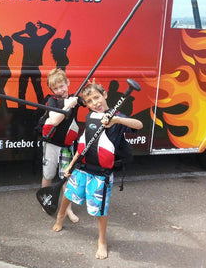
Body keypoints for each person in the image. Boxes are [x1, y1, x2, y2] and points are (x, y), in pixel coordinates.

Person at [53, 81, 142, 260]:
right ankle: (60, 216)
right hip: (82, 168)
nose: (95, 103)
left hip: (101, 174)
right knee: (69, 194)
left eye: (97, 97)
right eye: (90, 100)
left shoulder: (117, 117)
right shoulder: (91, 117)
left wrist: (116, 120)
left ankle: (102, 240)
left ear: (105, 95)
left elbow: (138, 125)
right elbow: (84, 144)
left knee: (100, 210)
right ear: (86, 104)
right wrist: (71, 165)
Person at [40, 68, 80, 223]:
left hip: (67, 146)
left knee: (66, 177)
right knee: (48, 174)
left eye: (62, 86)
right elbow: (55, 120)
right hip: (51, 145)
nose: (59, 90)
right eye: (55, 88)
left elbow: (91, 100)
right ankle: (45, 199)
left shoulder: (75, 98)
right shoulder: (53, 100)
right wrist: (67, 105)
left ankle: (67, 209)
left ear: (68, 83)